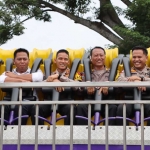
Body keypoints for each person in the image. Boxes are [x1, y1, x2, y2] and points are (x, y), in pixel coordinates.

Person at [31, 49, 84, 125]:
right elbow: (38, 86)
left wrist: (59, 77)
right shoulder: (49, 74)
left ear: (68, 62)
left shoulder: (76, 74)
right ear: (55, 60)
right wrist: (53, 80)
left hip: (66, 102)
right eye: (60, 59)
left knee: (72, 109)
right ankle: (39, 135)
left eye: (65, 59)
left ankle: (69, 135)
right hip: (49, 102)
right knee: (35, 109)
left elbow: (79, 88)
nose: (63, 61)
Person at [0, 48, 43, 125]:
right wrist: (22, 81)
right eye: (19, 59)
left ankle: (18, 134)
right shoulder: (8, 72)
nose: (22, 61)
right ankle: (3, 132)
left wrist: (13, 77)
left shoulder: (36, 71)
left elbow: (38, 77)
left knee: (20, 107)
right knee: (2, 106)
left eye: (24, 59)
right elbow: (1, 79)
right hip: (10, 100)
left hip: (29, 102)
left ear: (29, 60)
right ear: (14, 61)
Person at [82, 46, 117, 125]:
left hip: (107, 101)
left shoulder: (114, 73)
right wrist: (86, 85)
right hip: (90, 100)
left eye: (101, 55)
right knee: (81, 107)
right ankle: (82, 134)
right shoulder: (84, 74)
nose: (99, 58)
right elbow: (78, 87)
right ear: (91, 58)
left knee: (113, 108)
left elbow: (120, 86)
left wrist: (110, 84)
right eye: (96, 55)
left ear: (105, 57)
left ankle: (108, 135)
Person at [116, 45, 150, 125]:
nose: (136, 60)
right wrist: (133, 81)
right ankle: (122, 135)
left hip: (147, 100)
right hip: (130, 100)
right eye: (134, 57)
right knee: (122, 108)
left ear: (146, 58)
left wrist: (141, 79)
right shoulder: (127, 71)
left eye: (139, 57)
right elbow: (119, 80)